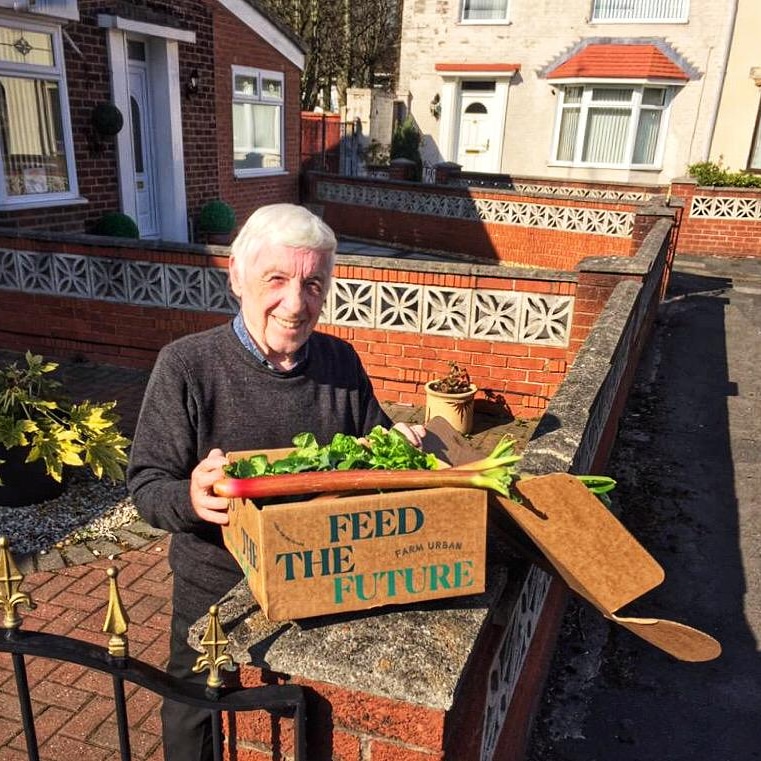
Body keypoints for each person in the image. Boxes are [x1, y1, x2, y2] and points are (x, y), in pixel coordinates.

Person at [127, 203, 425, 761]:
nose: (296, 303)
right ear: (237, 277)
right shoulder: (187, 366)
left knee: (305, 720)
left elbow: (373, 456)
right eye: (277, 280)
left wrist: (397, 448)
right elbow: (147, 484)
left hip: (322, 577)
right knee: (197, 716)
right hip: (218, 590)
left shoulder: (341, 362)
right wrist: (190, 497)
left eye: (313, 283)